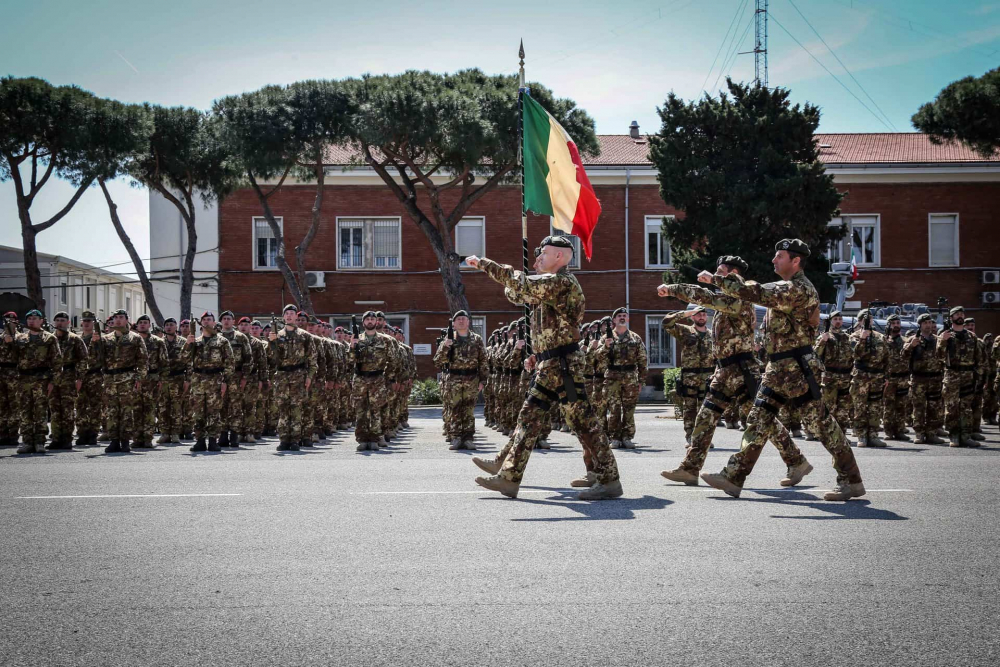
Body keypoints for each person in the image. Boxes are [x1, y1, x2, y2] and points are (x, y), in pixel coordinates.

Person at [699, 239, 865, 502]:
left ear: (795, 261)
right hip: (778, 368)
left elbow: (759, 294)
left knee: (821, 424)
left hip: (796, 369)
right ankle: (734, 475)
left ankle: (851, 480)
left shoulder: (799, 289)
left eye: (779, 257)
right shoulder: (787, 287)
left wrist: (717, 280)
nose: (774, 261)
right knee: (758, 420)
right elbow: (760, 291)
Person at [465, 236, 622, 500]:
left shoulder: (562, 282)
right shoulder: (548, 287)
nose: (537, 259)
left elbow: (519, 284)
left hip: (564, 367)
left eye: (544, 255)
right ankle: (508, 474)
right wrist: (538, 354)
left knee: (582, 420)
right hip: (551, 363)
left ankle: (609, 479)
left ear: (559, 257)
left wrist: (484, 264)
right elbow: (516, 293)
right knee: (529, 415)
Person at [658, 255, 812, 488]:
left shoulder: (738, 298)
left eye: (720, 272)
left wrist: (672, 289)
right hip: (726, 371)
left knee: (763, 420)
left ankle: (796, 460)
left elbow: (705, 296)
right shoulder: (729, 297)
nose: (716, 275)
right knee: (706, 416)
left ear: (733, 275)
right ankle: (690, 468)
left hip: (742, 370)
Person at [3, 309, 60, 454]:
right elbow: (10, 358)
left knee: (40, 411)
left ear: (41, 321)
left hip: (41, 379)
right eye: (29, 319)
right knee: (25, 411)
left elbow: (57, 362)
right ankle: (27, 441)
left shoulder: (49, 339)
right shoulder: (21, 338)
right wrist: (7, 343)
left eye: (35, 318)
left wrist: (53, 381)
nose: (31, 321)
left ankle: (40, 441)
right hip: (23, 380)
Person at [434, 310, 488, 450]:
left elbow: (483, 361)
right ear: (454, 323)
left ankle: (468, 438)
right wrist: (445, 346)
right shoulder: (449, 339)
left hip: (472, 378)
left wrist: (483, 380)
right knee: (455, 409)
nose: (462, 321)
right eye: (458, 319)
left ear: (468, 322)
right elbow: (438, 362)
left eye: (464, 319)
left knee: (469, 410)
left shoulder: (476, 339)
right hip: (454, 378)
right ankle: (456, 437)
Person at [661, 307, 714, 444]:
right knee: (690, 408)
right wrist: (687, 312)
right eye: (698, 315)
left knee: (707, 409)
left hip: (708, 377)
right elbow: (666, 322)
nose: (702, 317)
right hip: (690, 377)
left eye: (704, 314)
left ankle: (703, 437)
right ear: (692, 317)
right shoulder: (684, 331)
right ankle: (690, 436)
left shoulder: (713, 335)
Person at [268, 305, 318, 451]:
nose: (289, 316)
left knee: (296, 408)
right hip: (282, 376)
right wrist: (271, 343)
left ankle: (295, 439)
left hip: (298, 375)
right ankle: (284, 439)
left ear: (296, 317)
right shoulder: (278, 335)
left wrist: (309, 377)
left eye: (292, 313)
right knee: (283, 408)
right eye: (286, 313)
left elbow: (312, 360)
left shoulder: (305, 336)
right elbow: (272, 359)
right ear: (283, 317)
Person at [100, 309, 149, 454]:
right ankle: (114, 440)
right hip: (109, 380)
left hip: (127, 378)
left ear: (127, 320)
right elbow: (95, 358)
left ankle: (126, 441)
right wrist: (94, 343)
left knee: (127, 411)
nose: (119, 320)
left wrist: (139, 378)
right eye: (116, 318)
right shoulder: (106, 339)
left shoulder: (135, 338)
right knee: (111, 411)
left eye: (122, 317)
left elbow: (143, 360)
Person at [600, 307, 648, 449]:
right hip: (612, 378)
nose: (622, 318)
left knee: (629, 409)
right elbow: (596, 358)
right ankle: (614, 437)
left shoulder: (635, 338)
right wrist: (605, 347)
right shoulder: (607, 338)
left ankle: (627, 437)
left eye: (624, 316)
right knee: (614, 408)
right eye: (619, 316)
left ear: (628, 319)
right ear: (614, 320)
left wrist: (641, 380)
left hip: (630, 378)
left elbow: (643, 360)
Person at [351, 310, 396, 451]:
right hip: (360, 378)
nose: (370, 321)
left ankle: (375, 439)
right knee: (361, 410)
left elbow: (393, 361)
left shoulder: (385, 340)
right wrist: (352, 346)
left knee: (376, 410)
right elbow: (349, 360)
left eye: (372, 319)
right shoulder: (357, 338)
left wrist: (388, 378)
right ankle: (362, 439)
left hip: (377, 378)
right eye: (367, 319)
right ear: (363, 322)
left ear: (377, 322)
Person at [938, 306, 981, 448]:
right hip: (952, 375)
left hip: (968, 375)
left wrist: (978, 375)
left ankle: (966, 436)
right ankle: (954, 436)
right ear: (951, 318)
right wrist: (943, 341)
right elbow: (938, 357)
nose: (960, 316)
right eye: (957, 314)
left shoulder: (971, 336)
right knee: (952, 407)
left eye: (962, 313)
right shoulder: (945, 335)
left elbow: (979, 358)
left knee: (966, 407)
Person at [849, 309, 889, 448]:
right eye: (864, 319)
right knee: (860, 406)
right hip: (861, 377)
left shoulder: (880, 337)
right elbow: (855, 354)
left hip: (877, 376)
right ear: (859, 321)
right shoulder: (854, 336)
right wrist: (862, 338)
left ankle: (873, 435)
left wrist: (886, 375)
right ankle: (861, 435)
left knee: (875, 407)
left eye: (870, 318)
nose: (868, 321)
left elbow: (886, 357)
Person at [49, 311, 88, 450]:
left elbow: (83, 360)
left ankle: (66, 439)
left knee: (67, 410)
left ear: (68, 323)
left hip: (69, 377)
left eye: (63, 320)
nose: (60, 322)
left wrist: (80, 379)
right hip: (53, 378)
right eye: (57, 320)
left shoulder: (75, 339)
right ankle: (56, 438)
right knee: (54, 409)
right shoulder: (49, 339)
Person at [906, 313, 946, 444]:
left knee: (934, 407)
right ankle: (919, 433)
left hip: (935, 378)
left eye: (930, 323)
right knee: (918, 407)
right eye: (925, 323)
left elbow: (945, 357)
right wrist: (911, 346)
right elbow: (903, 356)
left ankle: (931, 433)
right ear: (920, 325)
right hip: (919, 379)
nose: (928, 325)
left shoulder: (938, 339)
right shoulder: (914, 339)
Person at [815, 310, 853, 440]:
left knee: (843, 410)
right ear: (831, 321)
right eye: (835, 319)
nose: (838, 321)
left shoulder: (847, 337)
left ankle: (841, 436)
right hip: (829, 377)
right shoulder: (825, 336)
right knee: (828, 407)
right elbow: (815, 355)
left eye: (840, 319)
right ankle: (827, 434)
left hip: (845, 377)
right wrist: (822, 341)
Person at [218, 311, 254, 447]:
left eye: (229, 319)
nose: (226, 321)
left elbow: (248, 358)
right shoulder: (217, 337)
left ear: (234, 322)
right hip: (220, 377)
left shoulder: (241, 338)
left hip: (237, 377)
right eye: (224, 319)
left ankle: (234, 434)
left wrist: (245, 377)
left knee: (236, 407)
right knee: (221, 406)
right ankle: (222, 434)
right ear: (221, 321)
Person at [134, 315, 166, 448]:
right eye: (140, 323)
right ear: (137, 325)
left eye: (145, 323)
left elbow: (164, 363)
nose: (142, 325)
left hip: (152, 379)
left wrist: (161, 379)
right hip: (136, 380)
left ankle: (147, 438)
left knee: (149, 409)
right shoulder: (132, 341)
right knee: (136, 409)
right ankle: (137, 438)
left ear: (149, 325)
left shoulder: (158, 342)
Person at [158, 318, 190, 444]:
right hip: (164, 379)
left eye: (171, 325)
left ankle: (176, 432)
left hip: (178, 378)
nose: (169, 327)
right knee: (163, 407)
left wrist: (188, 379)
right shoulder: (160, 342)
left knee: (177, 407)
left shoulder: (183, 342)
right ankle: (165, 433)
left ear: (176, 327)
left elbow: (188, 362)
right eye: (166, 325)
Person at [882, 315, 912, 442]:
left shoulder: (906, 342)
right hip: (889, 379)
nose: (896, 325)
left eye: (898, 322)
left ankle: (900, 430)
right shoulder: (883, 342)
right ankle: (888, 431)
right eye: (893, 323)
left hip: (903, 378)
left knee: (901, 406)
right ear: (888, 325)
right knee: (888, 406)